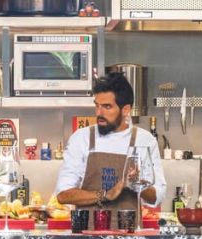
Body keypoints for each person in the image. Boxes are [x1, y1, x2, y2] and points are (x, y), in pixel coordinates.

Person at [56, 72, 166, 211]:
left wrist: (135, 183)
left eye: (107, 107)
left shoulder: (144, 140)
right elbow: (63, 195)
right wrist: (105, 195)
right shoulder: (81, 138)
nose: (99, 113)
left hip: (129, 230)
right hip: (87, 231)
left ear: (126, 109)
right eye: (97, 105)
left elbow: (158, 196)